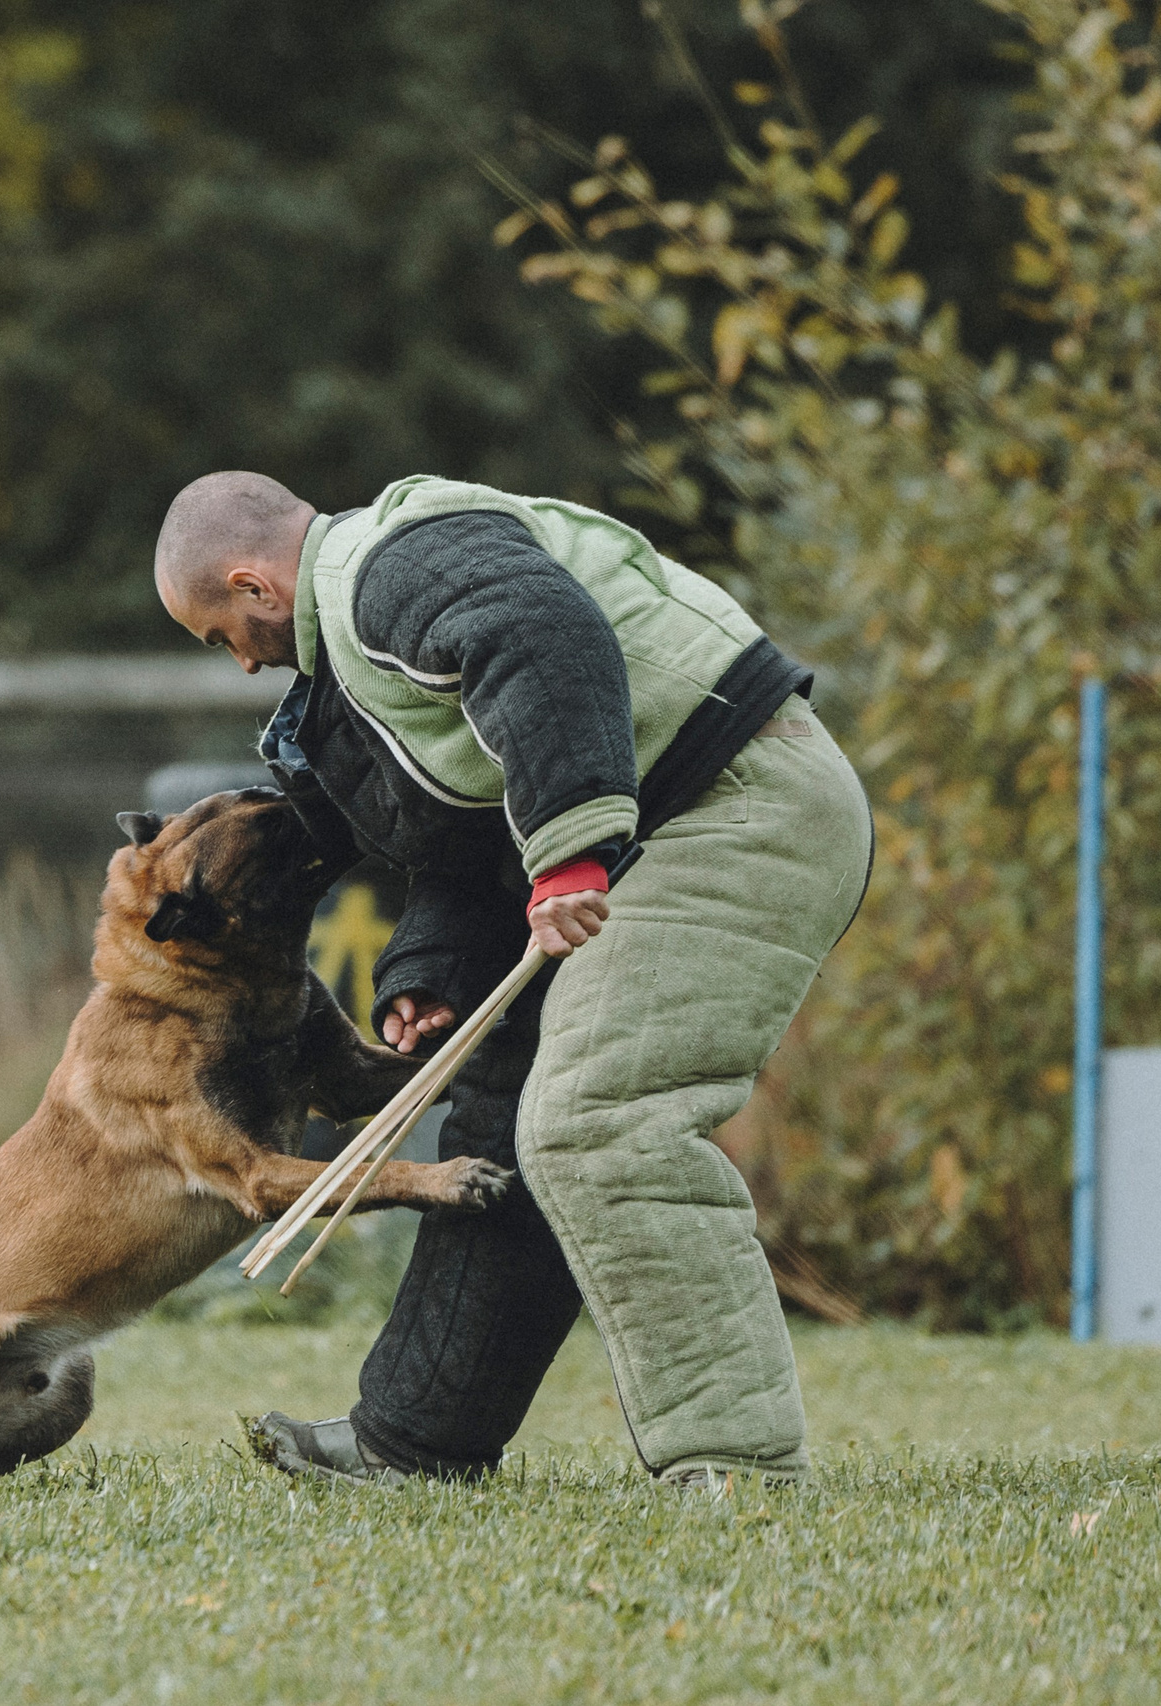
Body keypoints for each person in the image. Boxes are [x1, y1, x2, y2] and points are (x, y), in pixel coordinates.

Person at [153, 470, 872, 1490]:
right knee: (503, 1117)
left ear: (251, 583)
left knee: (600, 1118)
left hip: (734, 802)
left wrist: (570, 852)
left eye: (218, 631)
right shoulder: (359, 648)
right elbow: (476, 813)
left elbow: (545, 636)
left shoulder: (387, 568)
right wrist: (433, 973)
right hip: (656, 826)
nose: (235, 663)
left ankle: (739, 1464)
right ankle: (414, 1441)